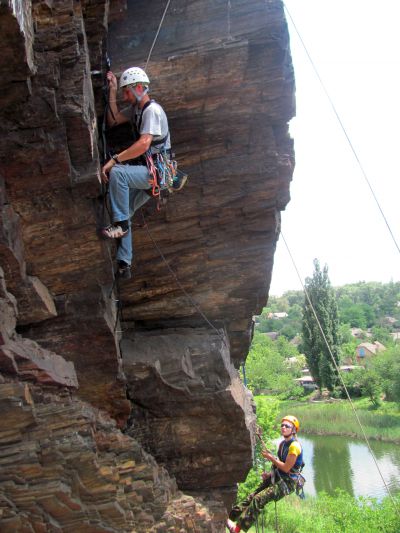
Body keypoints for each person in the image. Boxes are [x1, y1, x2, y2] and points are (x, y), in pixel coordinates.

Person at [100, 66, 171, 279]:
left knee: (118, 174)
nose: (125, 96)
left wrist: (114, 160)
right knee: (123, 209)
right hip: (152, 174)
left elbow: (143, 144)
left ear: (139, 88)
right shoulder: (138, 110)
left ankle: (120, 226)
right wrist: (112, 90)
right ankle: (124, 263)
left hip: (156, 174)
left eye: (127, 91)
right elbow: (113, 120)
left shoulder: (152, 111)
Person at [226, 415, 304, 533]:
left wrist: (270, 458)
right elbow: (279, 464)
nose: (283, 427)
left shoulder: (294, 447)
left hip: (287, 483)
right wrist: (268, 475)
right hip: (278, 477)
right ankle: (227, 517)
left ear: (293, 430)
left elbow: (286, 468)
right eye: (282, 425)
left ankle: (236, 529)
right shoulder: (283, 444)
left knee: (258, 499)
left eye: (287, 426)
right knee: (252, 496)